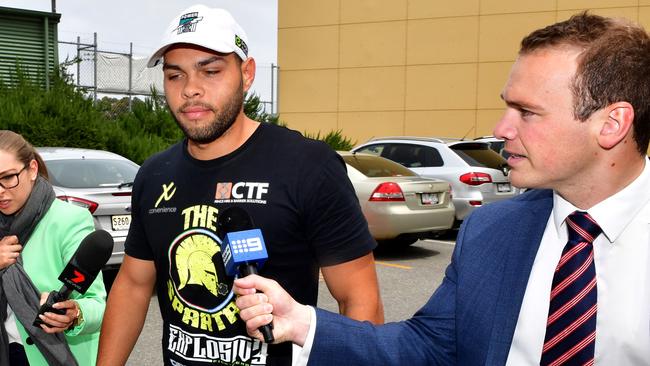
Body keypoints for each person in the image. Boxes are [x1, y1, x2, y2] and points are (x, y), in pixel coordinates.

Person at [233, 12, 650, 365]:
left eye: (527, 113)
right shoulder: (492, 230)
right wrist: (302, 322)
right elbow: (429, 346)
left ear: (611, 124)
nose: (501, 129)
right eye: (508, 106)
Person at [96, 4, 383, 366]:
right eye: (175, 76)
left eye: (210, 71)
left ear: (246, 74)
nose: (190, 90)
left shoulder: (308, 165)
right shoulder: (154, 174)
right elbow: (134, 287)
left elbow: (361, 301)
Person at [0, 130, 107, 365]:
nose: (0, 190)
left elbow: (97, 304)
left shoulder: (68, 221)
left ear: (32, 170)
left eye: (8, 177)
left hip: (50, 356)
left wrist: (74, 314)